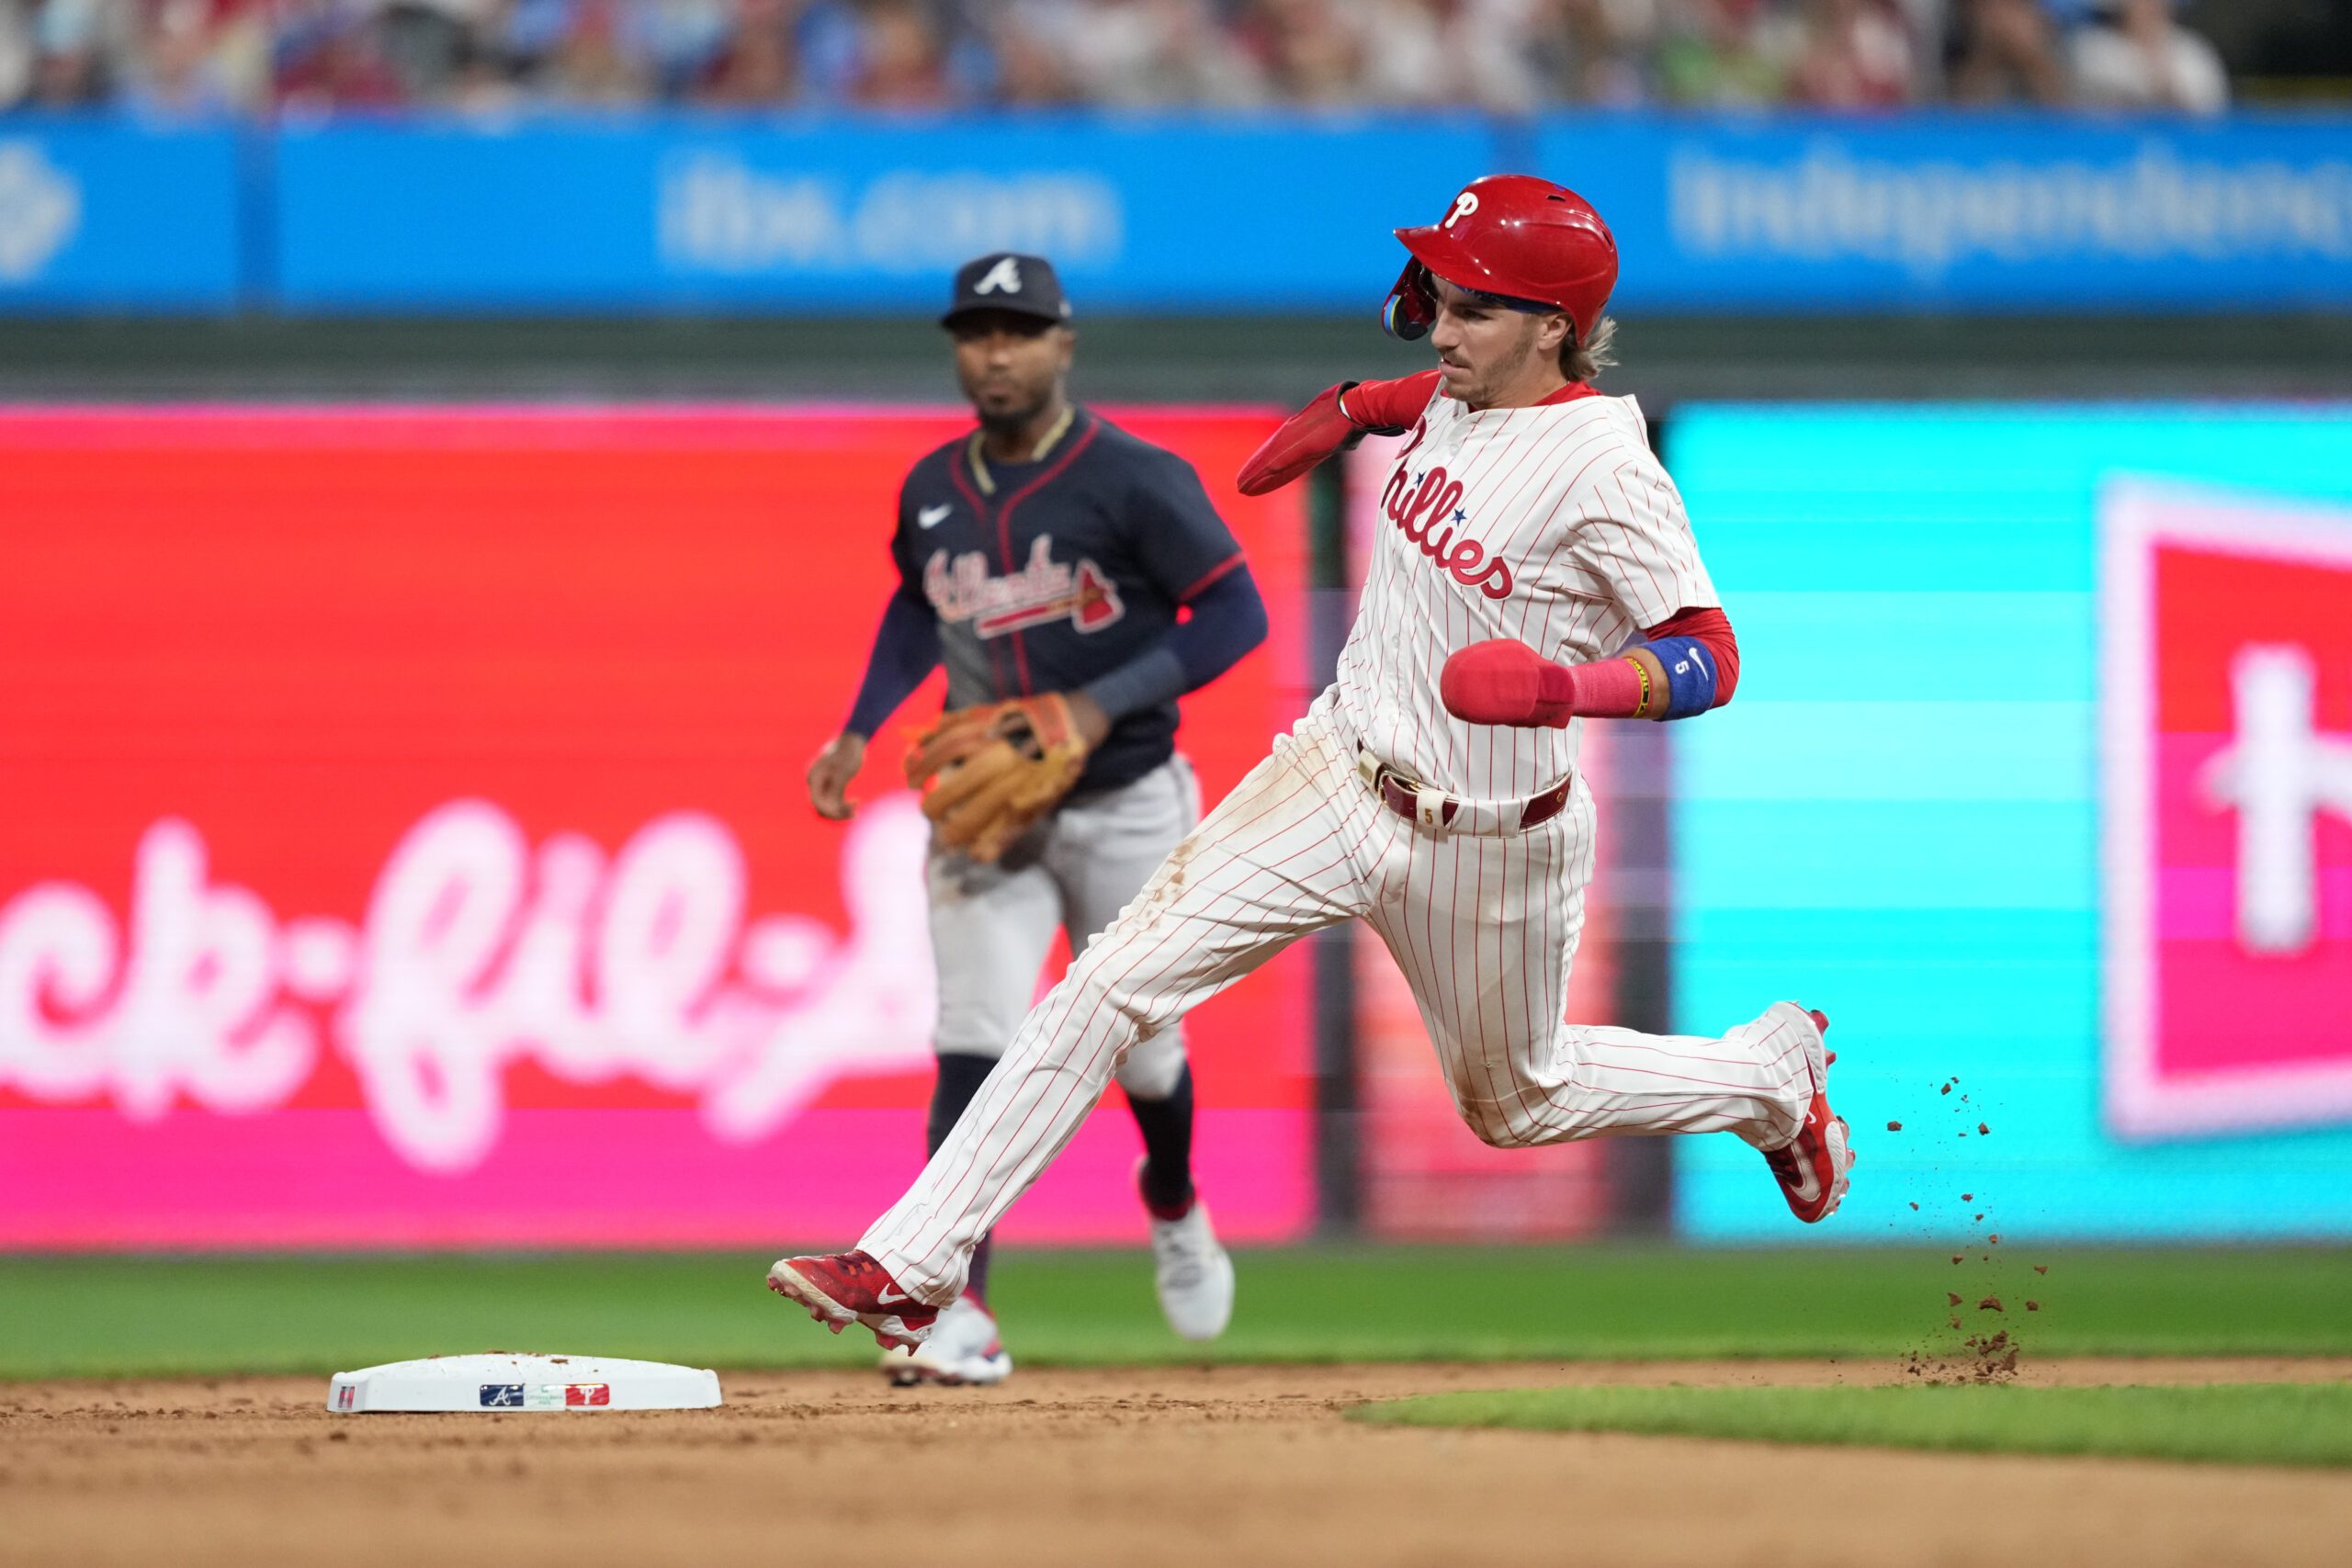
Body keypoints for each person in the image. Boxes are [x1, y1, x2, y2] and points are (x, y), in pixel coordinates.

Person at [772, 180, 1852, 1355]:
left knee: (1515, 1103)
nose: (1443, 329)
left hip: (1494, 836)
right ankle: (914, 1266)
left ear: (1554, 326)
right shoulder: (1459, 386)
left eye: (1476, 309)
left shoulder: (1604, 468)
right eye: (1439, 296)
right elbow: (1423, 391)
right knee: (1110, 980)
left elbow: (1707, 654)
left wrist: (1572, 689)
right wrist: (1352, 405)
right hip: (1339, 776)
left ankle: (1767, 1078)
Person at [800, 251, 1270, 1382]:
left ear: (1064, 344)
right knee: (975, 1038)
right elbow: (919, 611)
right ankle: (952, 1305)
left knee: (1149, 1053)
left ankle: (1170, 1196)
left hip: (1130, 800)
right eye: (975, 332)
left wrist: (1091, 704)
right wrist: (862, 727)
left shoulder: (1132, 477)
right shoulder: (930, 490)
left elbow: (1236, 614)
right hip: (991, 816)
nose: (994, 352)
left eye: (1017, 331)